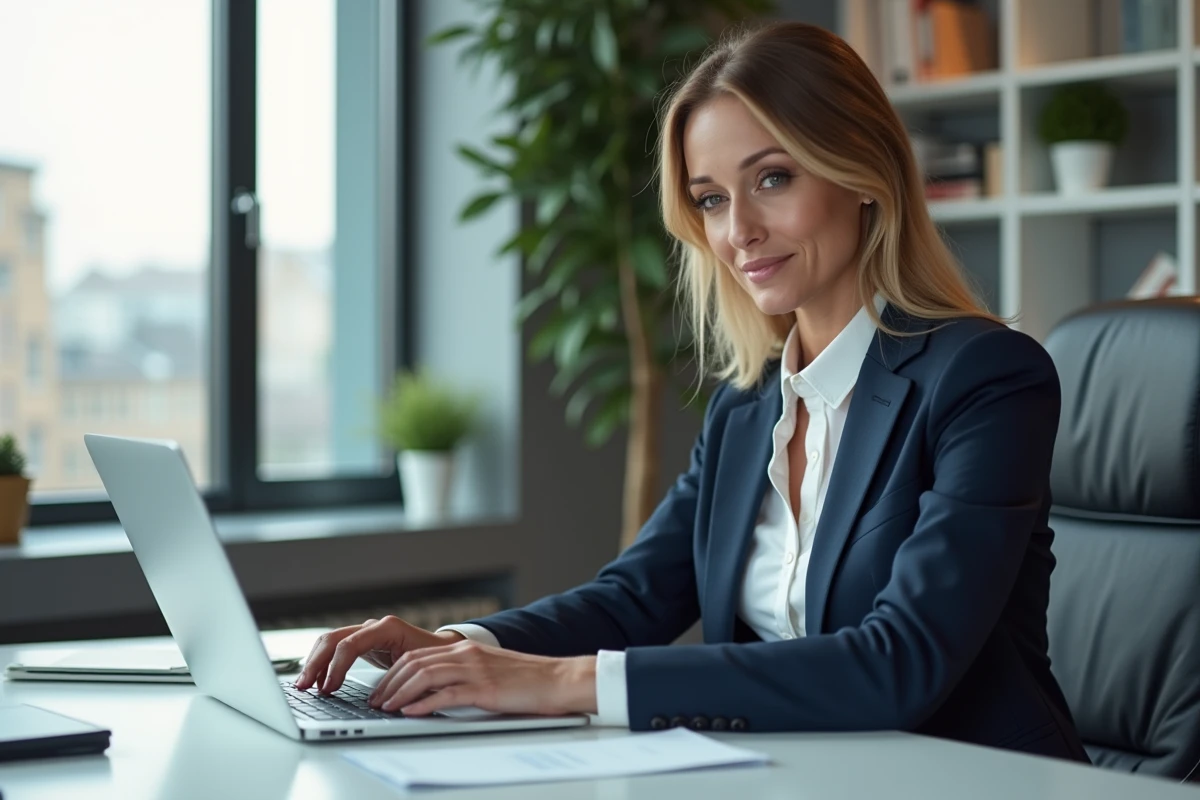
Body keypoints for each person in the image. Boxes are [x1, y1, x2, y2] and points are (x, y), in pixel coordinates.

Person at [295, 20, 1089, 762]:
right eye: (711, 198)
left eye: (771, 178)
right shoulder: (748, 409)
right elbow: (634, 597)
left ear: (863, 176)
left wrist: (565, 682)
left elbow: (899, 664)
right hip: (797, 772)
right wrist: (461, 646)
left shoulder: (985, 379)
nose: (737, 229)